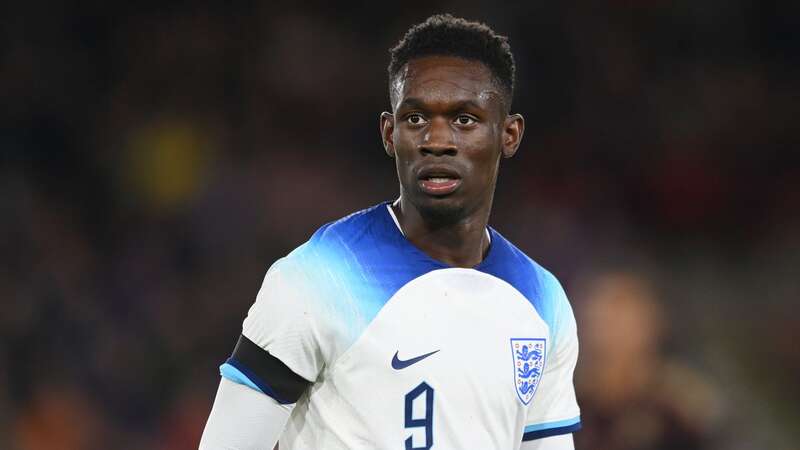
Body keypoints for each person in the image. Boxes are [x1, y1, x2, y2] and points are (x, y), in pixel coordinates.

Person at [199, 14, 581, 450]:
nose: (437, 139)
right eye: (416, 118)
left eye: (464, 119)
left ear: (508, 134)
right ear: (388, 133)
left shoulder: (541, 300)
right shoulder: (318, 278)